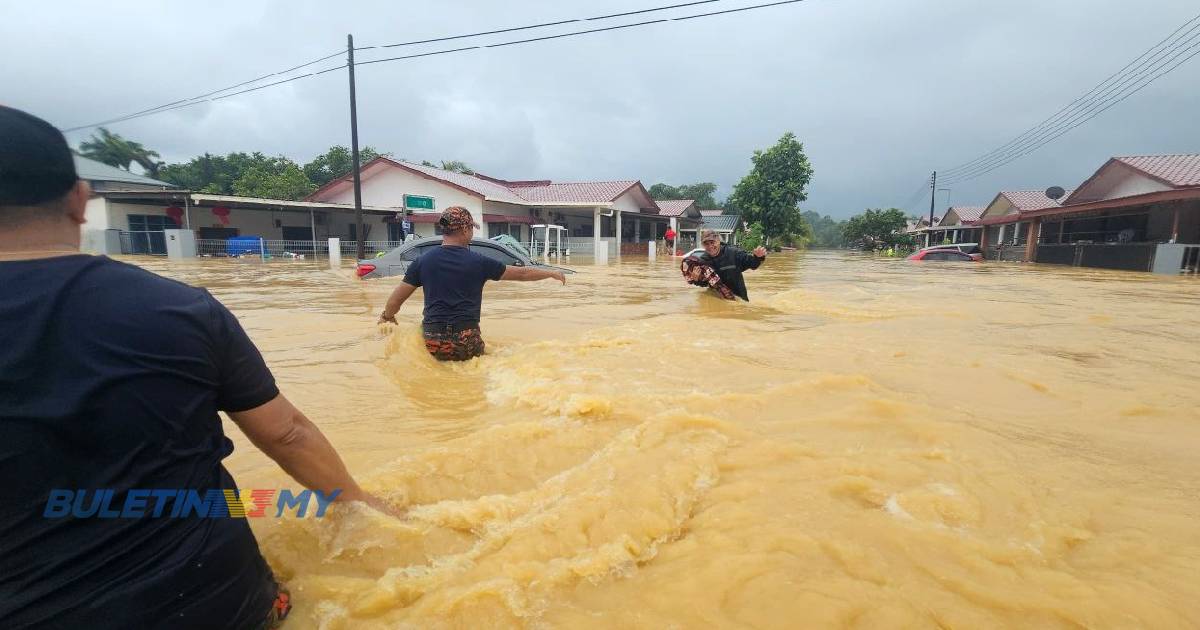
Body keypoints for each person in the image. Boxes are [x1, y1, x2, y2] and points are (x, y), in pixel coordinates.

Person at [0, 105, 390, 629]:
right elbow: (287, 434)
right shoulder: (180, 308)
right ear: (79, 200)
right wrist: (358, 504)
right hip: (219, 600)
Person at [378, 206, 565, 361]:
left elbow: (396, 300)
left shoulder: (422, 262)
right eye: (472, 229)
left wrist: (387, 317)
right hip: (466, 339)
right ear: (465, 230)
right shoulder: (479, 262)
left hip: (432, 340)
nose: (472, 233)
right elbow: (522, 274)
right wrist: (550, 273)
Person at [699, 229, 767, 301]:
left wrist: (758, 257)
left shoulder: (734, 253)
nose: (710, 246)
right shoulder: (703, 260)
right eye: (706, 244)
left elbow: (753, 264)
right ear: (703, 245)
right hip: (717, 302)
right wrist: (697, 279)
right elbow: (703, 283)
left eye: (712, 242)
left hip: (739, 302)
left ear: (718, 241)